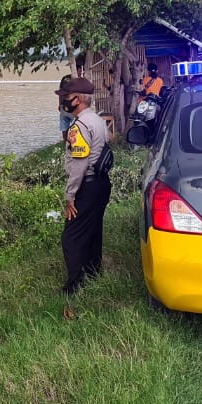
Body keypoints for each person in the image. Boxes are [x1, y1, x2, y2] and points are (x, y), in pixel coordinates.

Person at [58, 77, 113, 309]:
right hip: (101, 183)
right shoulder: (98, 120)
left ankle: (74, 284)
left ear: (77, 99)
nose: (63, 101)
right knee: (93, 230)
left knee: (71, 237)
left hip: (87, 185)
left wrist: (70, 195)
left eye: (65, 97)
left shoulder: (79, 126)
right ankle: (93, 272)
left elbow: (79, 163)